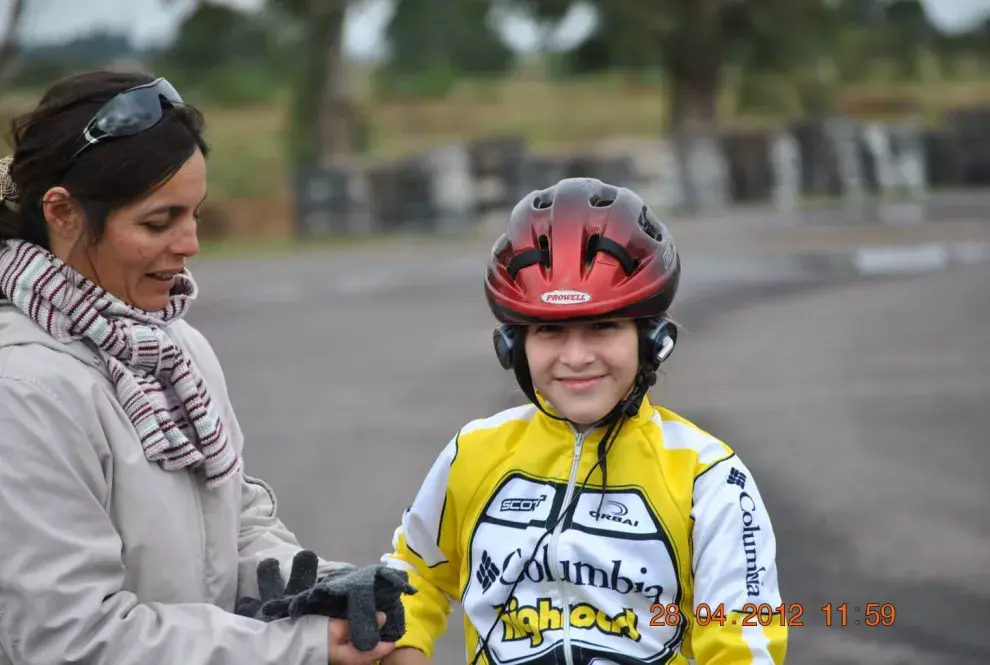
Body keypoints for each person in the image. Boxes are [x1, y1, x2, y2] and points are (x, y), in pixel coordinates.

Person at [0, 71, 397, 665]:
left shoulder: (169, 343)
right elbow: (69, 638)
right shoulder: (25, 390)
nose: (190, 243)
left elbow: (233, 523)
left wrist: (331, 594)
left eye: (195, 214)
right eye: (158, 222)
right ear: (62, 212)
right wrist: (300, 645)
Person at [379, 177, 789, 664]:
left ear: (652, 338)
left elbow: (743, 643)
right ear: (514, 347)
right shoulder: (475, 452)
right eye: (550, 331)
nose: (576, 357)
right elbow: (415, 576)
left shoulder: (709, 476)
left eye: (603, 326)